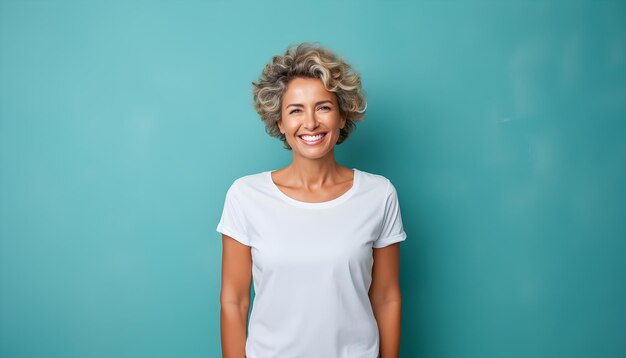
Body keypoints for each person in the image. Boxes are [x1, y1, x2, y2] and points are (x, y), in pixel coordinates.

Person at [216, 42, 407, 358]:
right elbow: (234, 301)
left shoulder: (379, 194)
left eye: (323, 107)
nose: (311, 123)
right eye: (295, 110)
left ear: (342, 117)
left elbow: (387, 297)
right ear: (280, 122)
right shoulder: (246, 196)